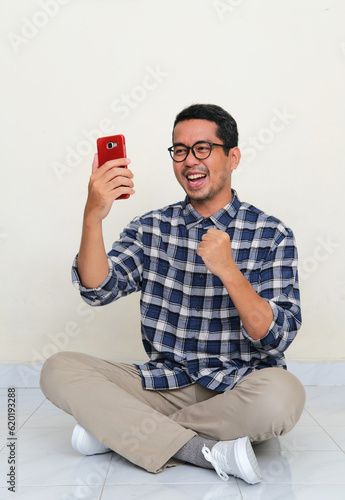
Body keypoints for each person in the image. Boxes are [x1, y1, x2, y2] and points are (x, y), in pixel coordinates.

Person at [40, 103, 306, 485]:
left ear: (233, 157)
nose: (189, 161)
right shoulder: (151, 227)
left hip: (240, 386)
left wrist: (230, 271)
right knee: (58, 368)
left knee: (284, 396)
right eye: (180, 150)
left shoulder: (272, 233)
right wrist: (93, 216)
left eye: (202, 148)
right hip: (163, 384)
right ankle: (199, 449)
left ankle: (121, 433)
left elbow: (276, 336)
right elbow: (97, 290)